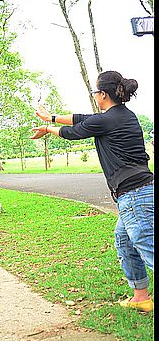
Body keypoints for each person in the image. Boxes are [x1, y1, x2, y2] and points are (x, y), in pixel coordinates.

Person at [30, 71, 154, 313]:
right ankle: (141, 297)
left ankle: (141, 296)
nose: (95, 96)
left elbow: (74, 131)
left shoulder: (107, 120)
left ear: (103, 94)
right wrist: (52, 117)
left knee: (148, 246)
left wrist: (48, 128)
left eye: (95, 92)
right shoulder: (122, 116)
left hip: (134, 195)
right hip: (139, 192)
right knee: (124, 242)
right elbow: (82, 118)